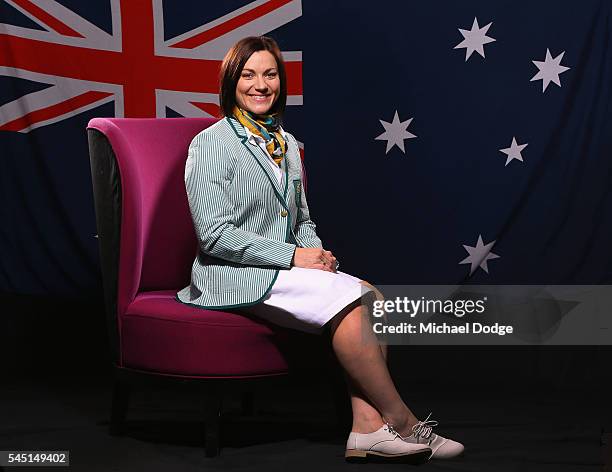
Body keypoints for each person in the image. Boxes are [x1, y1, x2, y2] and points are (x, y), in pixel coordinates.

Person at [176, 35, 464, 464]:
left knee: (373, 298)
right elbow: (215, 236)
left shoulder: (286, 144)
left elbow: (302, 221)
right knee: (351, 303)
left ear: (280, 82)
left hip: (285, 268)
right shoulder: (212, 143)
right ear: (231, 82)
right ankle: (402, 421)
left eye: (270, 74)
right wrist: (295, 258)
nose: (261, 84)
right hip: (229, 272)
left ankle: (366, 430)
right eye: (249, 74)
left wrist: (318, 256)